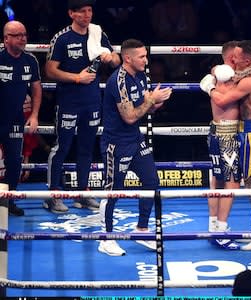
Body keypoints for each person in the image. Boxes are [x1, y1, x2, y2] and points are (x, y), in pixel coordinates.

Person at [44, 0, 121, 213]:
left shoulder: (97, 34)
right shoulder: (62, 38)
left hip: (92, 101)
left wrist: (110, 57)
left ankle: (82, 194)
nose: (87, 15)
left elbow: (116, 59)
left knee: (87, 148)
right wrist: (76, 78)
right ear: (71, 14)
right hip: (68, 101)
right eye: (82, 11)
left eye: (90, 11)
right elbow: (50, 71)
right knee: (62, 147)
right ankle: (53, 195)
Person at [98, 39, 172, 256]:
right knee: (113, 191)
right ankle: (106, 239)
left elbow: (144, 109)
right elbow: (130, 116)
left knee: (151, 182)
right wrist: (151, 101)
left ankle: (141, 229)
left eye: (145, 55)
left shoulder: (140, 76)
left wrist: (157, 102)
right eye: (141, 57)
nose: (146, 60)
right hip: (116, 143)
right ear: (127, 58)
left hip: (135, 139)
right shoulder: (117, 81)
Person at [202, 40, 251, 251]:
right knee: (238, 182)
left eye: (238, 59)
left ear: (247, 61)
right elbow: (234, 70)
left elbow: (223, 100)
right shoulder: (245, 72)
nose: (234, 61)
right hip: (242, 132)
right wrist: (216, 70)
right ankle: (222, 229)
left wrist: (210, 87)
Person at [0, 20, 41, 216]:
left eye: (24, 34)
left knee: (15, 163)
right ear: (6, 39)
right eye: (17, 35)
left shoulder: (30, 60)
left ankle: (9, 201)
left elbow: (36, 88)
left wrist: (34, 115)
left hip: (15, 119)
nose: (23, 38)